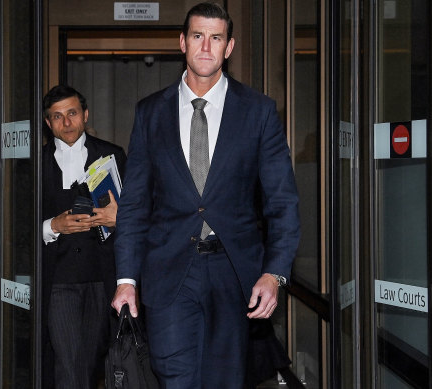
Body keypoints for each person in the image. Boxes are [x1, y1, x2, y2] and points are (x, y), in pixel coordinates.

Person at [110, 2, 300, 388]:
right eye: (198, 36)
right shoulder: (151, 113)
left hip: (235, 273)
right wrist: (126, 278)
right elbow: (134, 204)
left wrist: (274, 273)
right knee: (174, 376)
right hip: (168, 272)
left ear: (229, 47)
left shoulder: (258, 112)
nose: (206, 47)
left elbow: (282, 202)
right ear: (182, 41)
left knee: (225, 380)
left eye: (216, 38)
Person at [41, 85, 126, 388]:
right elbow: (18, 226)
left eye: (72, 113)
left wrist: (119, 218)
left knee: (90, 363)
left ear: (85, 115)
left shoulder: (112, 155)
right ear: (48, 123)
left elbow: (138, 216)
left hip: (100, 276)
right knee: (67, 360)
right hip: (58, 279)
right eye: (57, 116)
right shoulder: (34, 163)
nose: (66, 123)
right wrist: (53, 226)